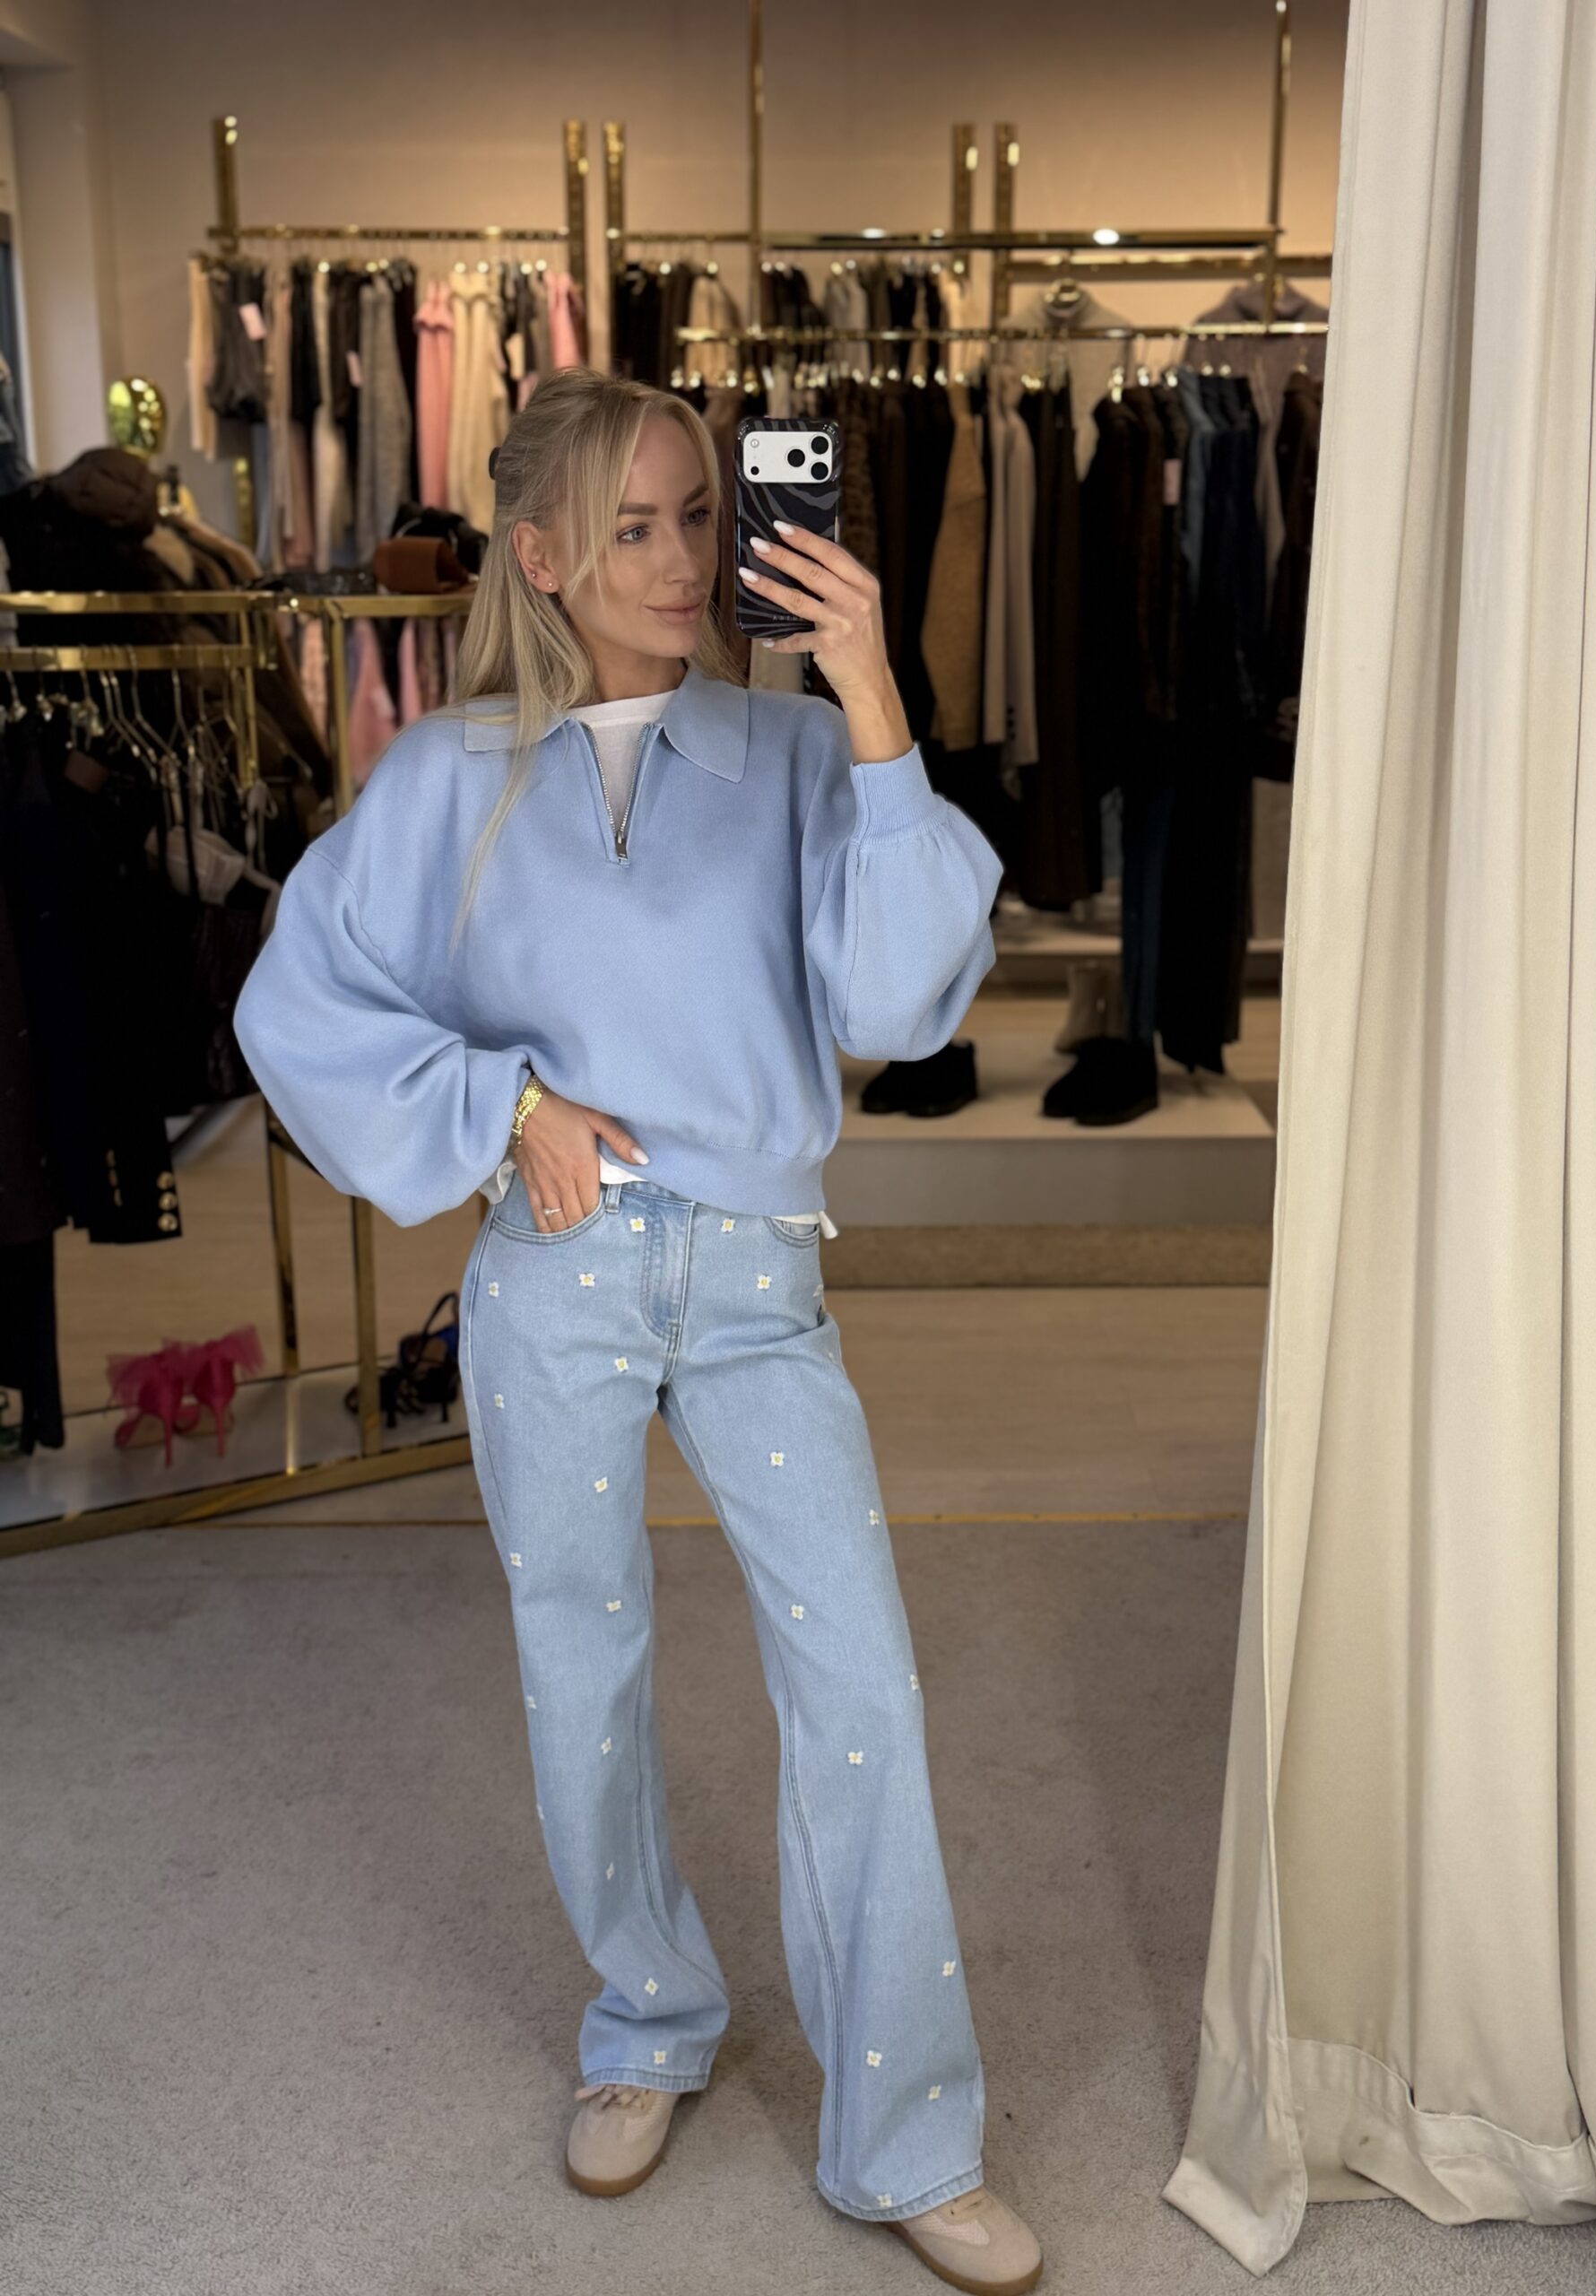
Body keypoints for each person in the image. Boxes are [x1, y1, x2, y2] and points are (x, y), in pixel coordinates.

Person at [231, 367, 1043, 2295]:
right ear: (538, 556)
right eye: (635, 527)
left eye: (704, 514)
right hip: (559, 1271)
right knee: (580, 1665)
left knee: (862, 1683)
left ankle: (908, 2131)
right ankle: (649, 2013)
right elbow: (295, 1003)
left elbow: (903, 1001)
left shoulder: (798, 751)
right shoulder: (447, 777)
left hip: (757, 1278)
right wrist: (504, 1103)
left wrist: (874, 693)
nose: (685, 559)